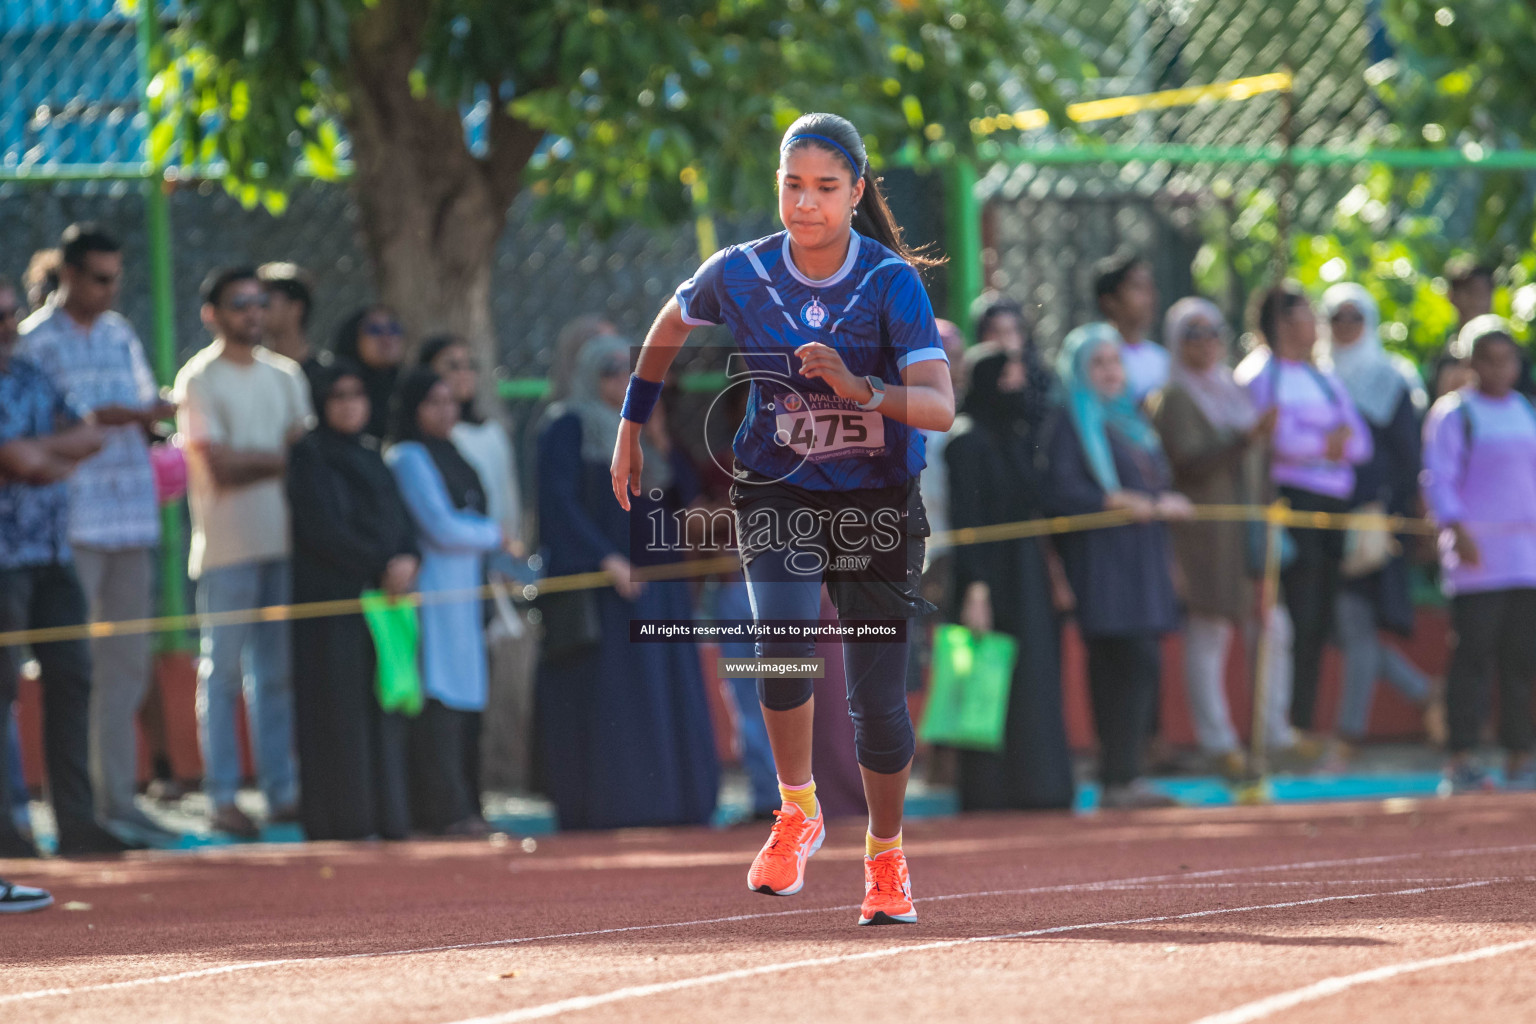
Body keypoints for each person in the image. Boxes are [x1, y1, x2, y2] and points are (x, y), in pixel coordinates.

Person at [610, 113, 955, 925]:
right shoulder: (743, 272)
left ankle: (885, 857)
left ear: (856, 192)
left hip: (874, 499)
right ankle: (796, 810)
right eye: (792, 185)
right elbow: (668, 326)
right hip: (777, 488)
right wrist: (632, 424)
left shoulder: (889, 283)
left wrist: (860, 389)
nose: (806, 204)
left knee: (876, 703)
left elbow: (938, 407)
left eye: (826, 189)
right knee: (784, 643)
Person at [18, 223, 181, 848]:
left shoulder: (120, 333)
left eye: (118, 277)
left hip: (132, 517)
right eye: (100, 278)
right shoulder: (35, 343)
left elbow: (137, 406)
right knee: (73, 669)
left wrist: (138, 416)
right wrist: (128, 414)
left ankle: (120, 801)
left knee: (126, 667)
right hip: (70, 525)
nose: (112, 289)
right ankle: (78, 813)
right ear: (67, 274)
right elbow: (82, 419)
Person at [540, 334, 719, 830]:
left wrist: (660, 440)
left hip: (660, 588)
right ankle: (621, 806)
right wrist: (605, 559)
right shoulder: (568, 426)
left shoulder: (640, 429)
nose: (623, 381)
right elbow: (559, 504)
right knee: (621, 696)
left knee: (667, 693)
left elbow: (680, 499)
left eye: (630, 371)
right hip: (609, 591)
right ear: (587, 376)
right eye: (610, 371)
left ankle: (677, 803)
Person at [175, 267, 312, 840]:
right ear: (212, 313)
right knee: (223, 675)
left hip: (283, 545)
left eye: (259, 303)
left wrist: (257, 457)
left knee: (275, 676)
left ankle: (283, 794)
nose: (252, 314)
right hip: (226, 549)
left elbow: (304, 458)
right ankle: (223, 797)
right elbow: (219, 468)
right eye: (239, 304)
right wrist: (274, 458)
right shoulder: (197, 379)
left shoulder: (286, 375)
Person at [0, 274, 132, 857]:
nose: (8, 327)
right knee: (4, 687)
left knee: (73, 675)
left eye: (8, 314)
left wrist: (41, 455)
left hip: (52, 550)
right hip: (4, 557)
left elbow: (86, 435)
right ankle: (10, 825)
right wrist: (43, 455)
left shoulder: (31, 372)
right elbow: (15, 457)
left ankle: (76, 821)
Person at [1151, 298, 1296, 779]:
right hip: (1205, 539)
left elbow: (1258, 460)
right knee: (1209, 634)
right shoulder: (1173, 396)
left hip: (1248, 532)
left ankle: (1273, 732)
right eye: (1194, 333)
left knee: (1271, 627)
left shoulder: (1234, 391)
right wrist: (1244, 440)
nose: (1207, 342)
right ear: (1177, 341)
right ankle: (1218, 742)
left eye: (1215, 331)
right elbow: (1187, 462)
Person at [1045, 323, 1187, 809]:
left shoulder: (1133, 421)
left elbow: (1152, 480)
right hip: (1102, 564)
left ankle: (1125, 776)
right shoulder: (1070, 420)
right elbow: (1060, 492)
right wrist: (1112, 498)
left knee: (1140, 662)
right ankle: (1118, 778)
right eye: (1098, 363)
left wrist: (1162, 501)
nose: (1109, 372)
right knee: (1122, 664)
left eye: (1114, 361)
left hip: (1142, 560)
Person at [286, 361, 418, 840]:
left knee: (384, 707)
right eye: (338, 396)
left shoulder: (370, 454)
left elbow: (399, 519)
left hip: (383, 605)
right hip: (334, 604)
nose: (349, 404)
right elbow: (322, 529)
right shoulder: (310, 455)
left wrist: (407, 557)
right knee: (338, 713)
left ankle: (389, 819)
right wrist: (378, 564)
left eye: (357, 395)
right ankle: (345, 822)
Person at [1237, 283, 1372, 738]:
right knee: (1293, 614)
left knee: (1318, 618)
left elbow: (1360, 442)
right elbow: (1274, 442)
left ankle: (1305, 724)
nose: (1315, 325)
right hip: (1291, 503)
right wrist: (1324, 444)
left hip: (1333, 505)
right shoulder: (1260, 375)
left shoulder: (1324, 377)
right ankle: (1280, 725)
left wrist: (1323, 445)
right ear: (1282, 324)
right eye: (1305, 315)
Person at [1317, 284, 1442, 769]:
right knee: (1347, 628)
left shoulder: (1391, 378)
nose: (1345, 326)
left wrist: (1409, 515)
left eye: (1354, 317)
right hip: (1326, 518)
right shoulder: (1318, 376)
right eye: (1336, 317)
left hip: (1375, 520)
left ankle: (1347, 737)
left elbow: (1409, 455)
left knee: (1356, 623)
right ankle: (1424, 691)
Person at [946, 344, 1074, 810]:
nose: (1018, 384)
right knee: (986, 679)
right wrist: (976, 589)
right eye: (1008, 376)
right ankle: (988, 793)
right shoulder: (966, 440)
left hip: (1027, 574)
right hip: (989, 578)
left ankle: (1038, 787)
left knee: (1033, 676)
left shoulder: (1019, 436)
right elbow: (968, 519)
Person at [386, 367, 505, 835]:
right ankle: (442, 811)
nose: (445, 410)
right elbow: (441, 527)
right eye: (432, 402)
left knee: (466, 702)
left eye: (448, 401)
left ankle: (468, 807)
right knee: (438, 696)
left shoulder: (455, 453)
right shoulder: (408, 456)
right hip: (433, 594)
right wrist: (497, 536)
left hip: (468, 593)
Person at [1422, 318, 1536, 793]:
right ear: (1470, 363)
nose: (1498, 369)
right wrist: (1457, 529)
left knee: (1521, 661)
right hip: (1477, 562)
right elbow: (1438, 478)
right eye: (1487, 359)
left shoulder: (1524, 409)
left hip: (1524, 558)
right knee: (1471, 660)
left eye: (1506, 359)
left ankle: (1519, 754)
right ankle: (1461, 755)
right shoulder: (1454, 413)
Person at [416, 333, 534, 792]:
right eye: (450, 365)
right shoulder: (418, 449)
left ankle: (475, 790)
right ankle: (444, 798)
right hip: (442, 582)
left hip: (488, 577)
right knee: (442, 688)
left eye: (469, 366)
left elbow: (504, 504)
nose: (462, 376)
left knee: (479, 685)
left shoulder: (490, 434)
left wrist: (505, 557)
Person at [1094, 250, 1167, 404]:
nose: (1150, 297)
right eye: (1138, 288)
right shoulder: (1095, 357)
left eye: (1150, 288)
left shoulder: (1162, 358)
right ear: (1109, 301)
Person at [333, 305, 406, 441]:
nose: (387, 338)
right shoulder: (333, 386)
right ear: (353, 337)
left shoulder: (407, 388)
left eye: (394, 329)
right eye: (375, 330)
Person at [258, 262, 325, 388]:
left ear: (296, 308)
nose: (256, 310)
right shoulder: (250, 372)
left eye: (265, 302)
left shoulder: (326, 376)